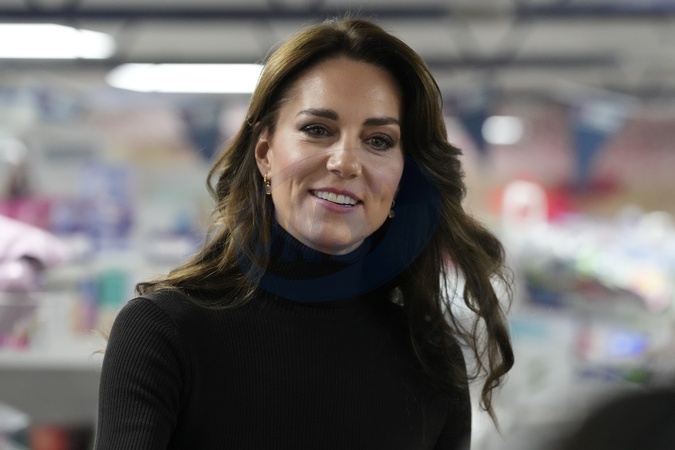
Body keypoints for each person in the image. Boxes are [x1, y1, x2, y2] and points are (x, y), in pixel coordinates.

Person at [95, 16, 514, 450]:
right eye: (317, 130)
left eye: (379, 141)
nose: (345, 162)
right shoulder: (165, 331)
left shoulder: (430, 358)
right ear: (265, 154)